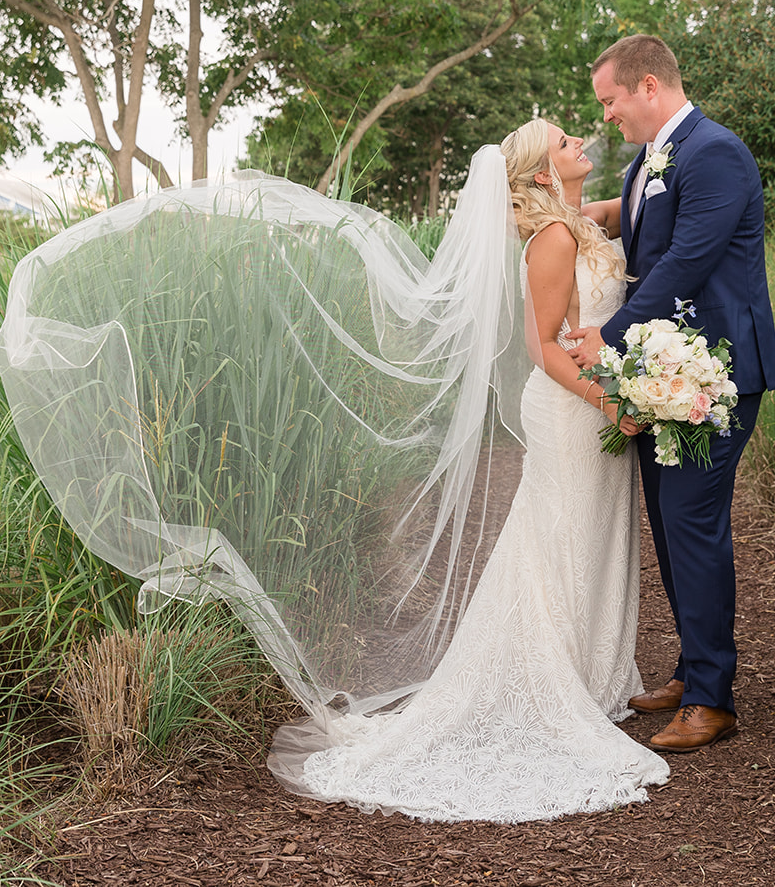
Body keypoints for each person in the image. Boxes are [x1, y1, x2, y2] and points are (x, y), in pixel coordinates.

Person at [265, 117, 670, 821]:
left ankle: (592, 673)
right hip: (571, 409)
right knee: (559, 536)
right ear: (545, 173)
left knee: (596, 534)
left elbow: (634, 205)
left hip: (598, 405)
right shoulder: (550, 240)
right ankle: (551, 680)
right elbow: (544, 347)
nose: (580, 139)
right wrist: (610, 401)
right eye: (564, 141)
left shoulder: (583, 220)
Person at [565, 34, 775, 753]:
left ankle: (712, 699)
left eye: (612, 101)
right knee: (669, 520)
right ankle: (694, 669)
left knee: (693, 522)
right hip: (672, 373)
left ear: (649, 86)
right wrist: (587, 212)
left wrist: (614, 332)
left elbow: (688, 257)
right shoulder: (651, 157)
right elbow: (646, 226)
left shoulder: (713, 151)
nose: (608, 116)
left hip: (717, 372)